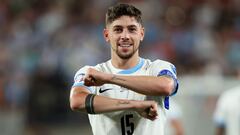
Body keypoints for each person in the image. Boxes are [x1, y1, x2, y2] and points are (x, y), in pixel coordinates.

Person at [69, 3, 179, 135]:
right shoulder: (90, 71)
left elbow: (166, 86)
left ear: (142, 34)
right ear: (106, 35)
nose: (125, 36)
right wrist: (134, 105)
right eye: (118, 29)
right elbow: (77, 100)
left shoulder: (157, 67)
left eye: (132, 29)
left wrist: (110, 78)